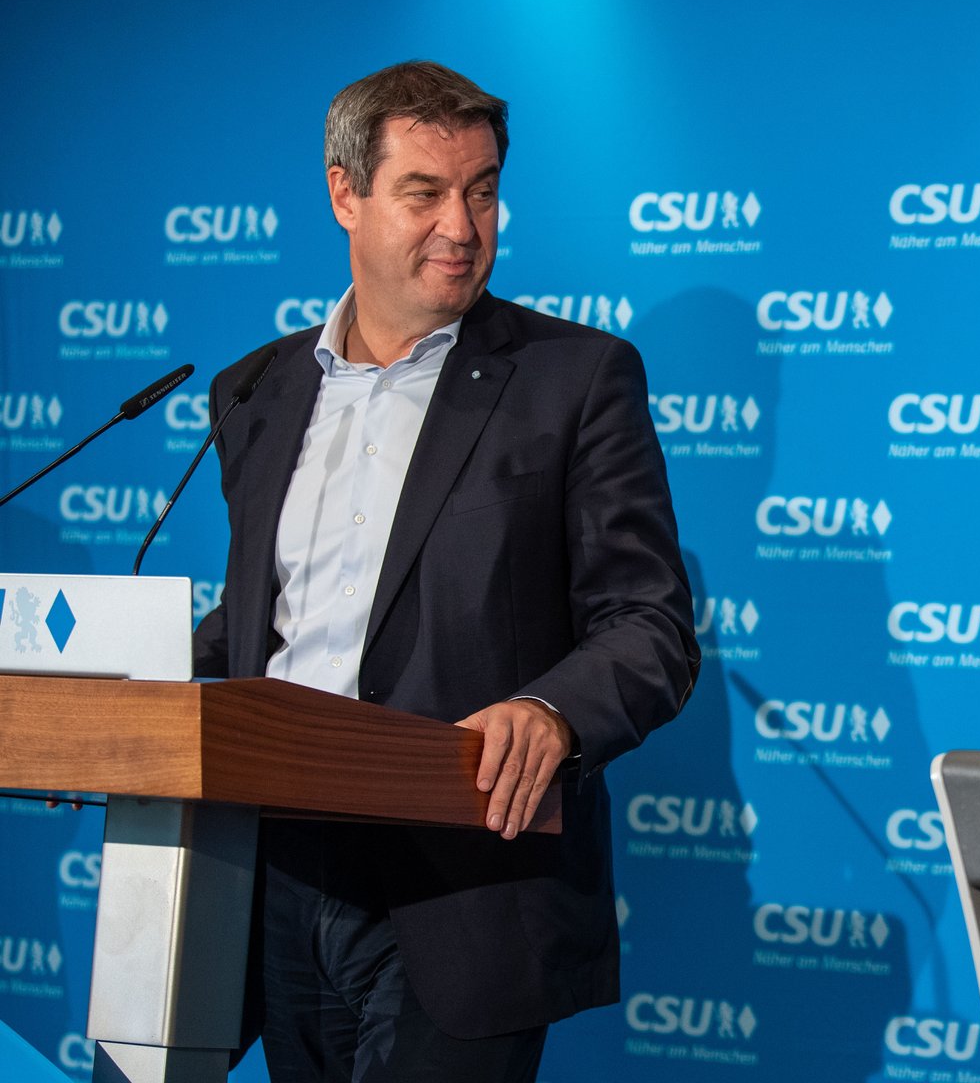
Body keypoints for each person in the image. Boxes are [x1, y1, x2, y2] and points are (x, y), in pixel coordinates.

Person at [192, 60, 698, 1082]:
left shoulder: (575, 379)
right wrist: (122, 710)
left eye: (482, 189)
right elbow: (259, 624)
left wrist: (551, 714)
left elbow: (647, 622)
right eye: (424, 192)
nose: (461, 227)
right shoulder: (254, 388)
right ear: (345, 193)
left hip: (463, 885)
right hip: (276, 877)